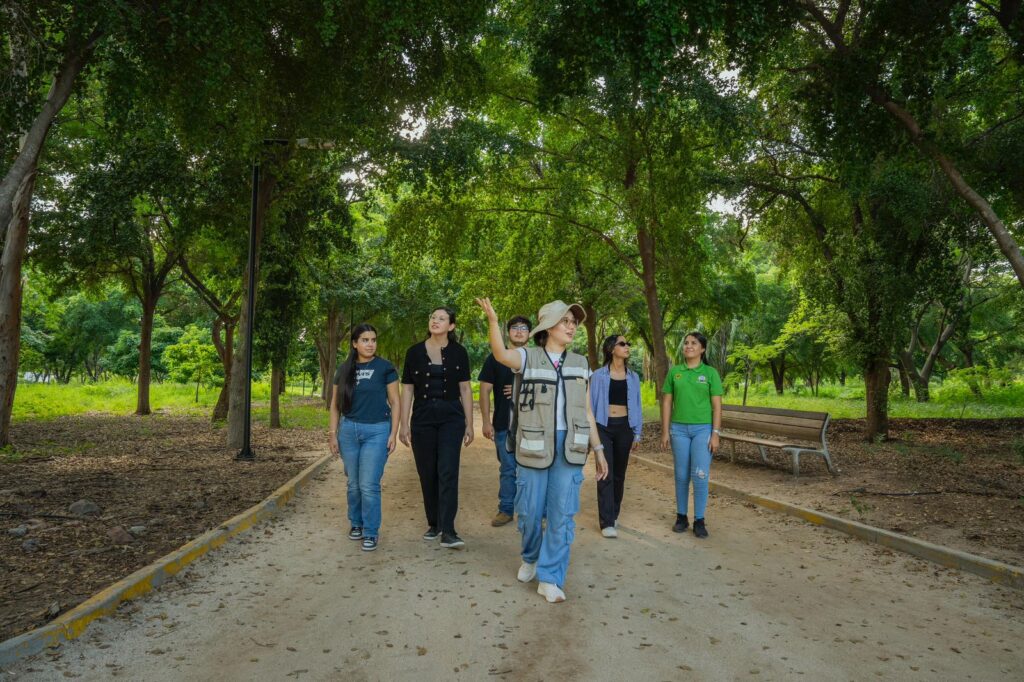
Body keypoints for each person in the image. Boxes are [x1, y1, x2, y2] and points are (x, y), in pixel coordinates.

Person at [476, 297, 608, 604]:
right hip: (533, 447)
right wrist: (494, 322)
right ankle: (531, 556)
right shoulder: (528, 357)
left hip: (571, 448)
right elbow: (499, 353)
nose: (572, 327)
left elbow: (587, 412)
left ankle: (550, 577)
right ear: (548, 326)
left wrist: (599, 449)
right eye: (565, 321)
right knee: (530, 512)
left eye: (574, 323)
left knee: (562, 515)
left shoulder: (580, 364)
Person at [399, 307, 474, 549]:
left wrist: (470, 424)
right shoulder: (414, 353)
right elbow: (408, 390)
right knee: (427, 472)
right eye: (432, 317)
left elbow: (465, 389)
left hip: (451, 416)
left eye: (441, 318)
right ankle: (435, 523)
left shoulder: (459, 353)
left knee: (448, 471)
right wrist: (403, 424)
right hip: (422, 417)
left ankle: (449, 530)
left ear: (451, 326)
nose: (435, 321)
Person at [328, 324, 400, 552]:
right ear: (355, 344)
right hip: (349, 431)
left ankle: (370, 531)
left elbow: (395, 402)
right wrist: (333, 435)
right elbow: (334, 406)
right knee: (353, 484)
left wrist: (393, 433)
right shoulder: (344, 369)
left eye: (373, 340)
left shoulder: (385, 367)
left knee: (369, 484)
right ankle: (356, 523)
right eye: (365, 340)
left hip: (377, 431)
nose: (370, 344)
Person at [660, 331, 723, 539]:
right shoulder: (675, 372)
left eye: (693, 343)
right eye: (686, 343)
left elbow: (717, 406)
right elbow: (667, 402)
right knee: (681, 475)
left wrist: (715, 433)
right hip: (678, 430)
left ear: (702, 349)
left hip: (702, 430)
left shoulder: (711, 373)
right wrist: (665, 431)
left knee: (700, 475)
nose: (688, 346)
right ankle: (681, 517)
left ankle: (699, 520)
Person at [479, 315, 532, 527]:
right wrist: (485, 421)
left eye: (523, 328)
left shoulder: (537, 357)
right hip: (503, 423)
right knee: (508, 468)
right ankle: (506, 509)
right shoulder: (495, 358)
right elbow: (484, 390)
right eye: (515, 328)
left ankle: (536, 512)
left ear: (530, 333)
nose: (519, 331)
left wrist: (521, 389)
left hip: (533, 426)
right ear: (508, 331)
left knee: (534, 469)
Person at [589, 334, 643, 538]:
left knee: (619, 474)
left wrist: (637, 433)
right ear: (612, 349)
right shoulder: (598, 376)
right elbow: (591, 407)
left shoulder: (633, 377)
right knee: (605, 472)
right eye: (623, 343)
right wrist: (590, 436)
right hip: (603, 426)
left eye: (628, 343)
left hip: (625, 428)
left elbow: (637, 405)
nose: (627, 346)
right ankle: (606, 522)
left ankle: (614, 512)